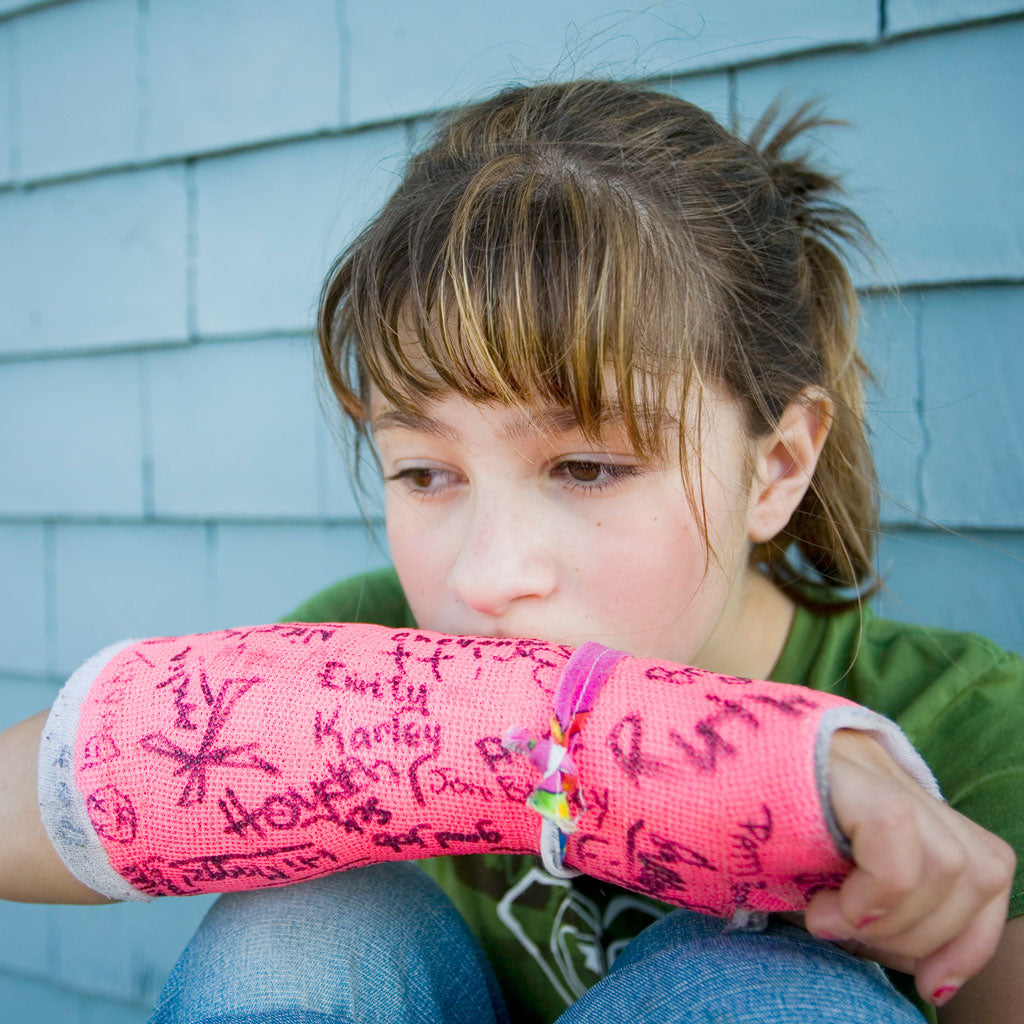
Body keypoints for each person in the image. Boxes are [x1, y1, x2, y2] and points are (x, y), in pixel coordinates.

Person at [1, 79, 1020, 1023]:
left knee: (754, 988)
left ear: (776, 465)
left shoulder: (966, 732)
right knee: (304, 927)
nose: (483, 577)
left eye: (586, 466)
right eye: (423, 472)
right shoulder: (359, 634)